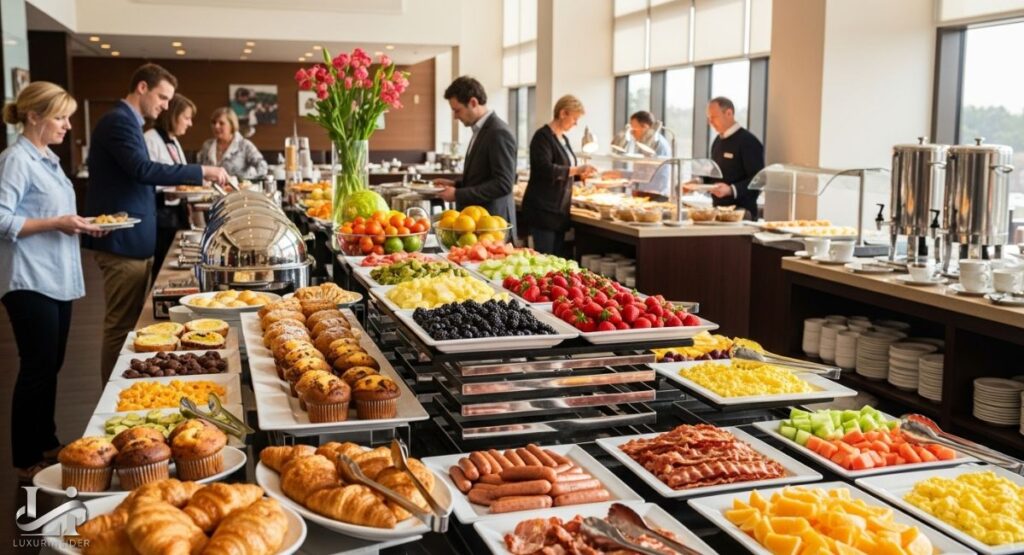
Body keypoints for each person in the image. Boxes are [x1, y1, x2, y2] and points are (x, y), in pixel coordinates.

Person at [85, 63, 228, 380]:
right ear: (142, 88)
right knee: (121, 325)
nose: (165, 106)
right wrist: (201, 171)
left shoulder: (129, 123)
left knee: (129, 320)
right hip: (122, 243)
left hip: (134, 239)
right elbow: (143, 170)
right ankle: (113, 388)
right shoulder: (119, 122)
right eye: (162, 97)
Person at [0, 82, 106, 480]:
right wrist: (55, 223)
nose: (67, 126)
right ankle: (27, 457)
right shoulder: (16, 160)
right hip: (29, 278)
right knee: (36, 367)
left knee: (51, 364)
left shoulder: (47, 158)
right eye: (60, 117)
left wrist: (79, 224)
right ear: (33, 117)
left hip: (55, 275)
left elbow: (57, 213)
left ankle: (46, 440)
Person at [434, 76, 517, 230]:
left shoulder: (498, 132)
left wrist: (458, 194)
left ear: (473, 102)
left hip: (493, 224)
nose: (455, 116)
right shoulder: (480, 130)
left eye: (457, 110)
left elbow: (503, 184)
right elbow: (483, 176)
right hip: (479, 222)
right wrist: (455, 184)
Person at [521, 95, 596, 256]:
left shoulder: (564, 139)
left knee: (557, 259)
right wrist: (576, 170)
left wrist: (580, 175)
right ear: (563, 113)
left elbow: (565, 170)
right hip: (544, 211)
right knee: (545, 259)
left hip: (559, 212)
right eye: (574, 118)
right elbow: (545, 169)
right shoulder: (542, 137)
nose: (576, 123)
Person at [144, 93, 196, 277]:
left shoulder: (173, 140)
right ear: (173, 115)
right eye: (186, 117)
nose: (189, 123)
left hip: (177, 213)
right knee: (162, 265)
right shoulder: (150, 139)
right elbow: (148, 176)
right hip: (160, 215)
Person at [701, 96, 765, 218]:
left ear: (729, 113)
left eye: (714, 117)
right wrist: (698, 182)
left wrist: (731, 190)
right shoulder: (717, 141)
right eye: (709, 118)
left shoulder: (748, 141)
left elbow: (759, 180)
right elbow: (714, 173)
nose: (710, 122)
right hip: (719, 212)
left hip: (742, 214)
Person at [197, 107, 268, 180]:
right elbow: (198, 170)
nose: (216, 126)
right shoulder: (207, 145)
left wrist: (244, 180)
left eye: (221, 123)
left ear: (232, 125)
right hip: (207, 190)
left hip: (238, 190)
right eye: (214, 122)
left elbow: (263, 167)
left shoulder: (244, 145)